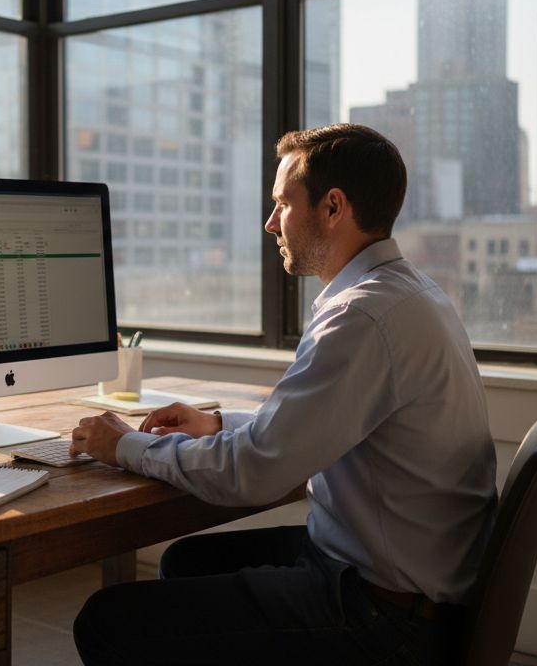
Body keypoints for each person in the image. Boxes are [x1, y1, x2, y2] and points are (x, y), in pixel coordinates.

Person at [68, 123, 497, 665]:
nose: (270, 223)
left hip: (383, 617)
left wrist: (124, 445)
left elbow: (256, 472)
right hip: (398, 580)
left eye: (282, 204)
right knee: (186, 562)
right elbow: (307, 426)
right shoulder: (409, 293)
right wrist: (218, 424)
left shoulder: (361, 317)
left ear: (333, 207)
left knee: (108, 623)